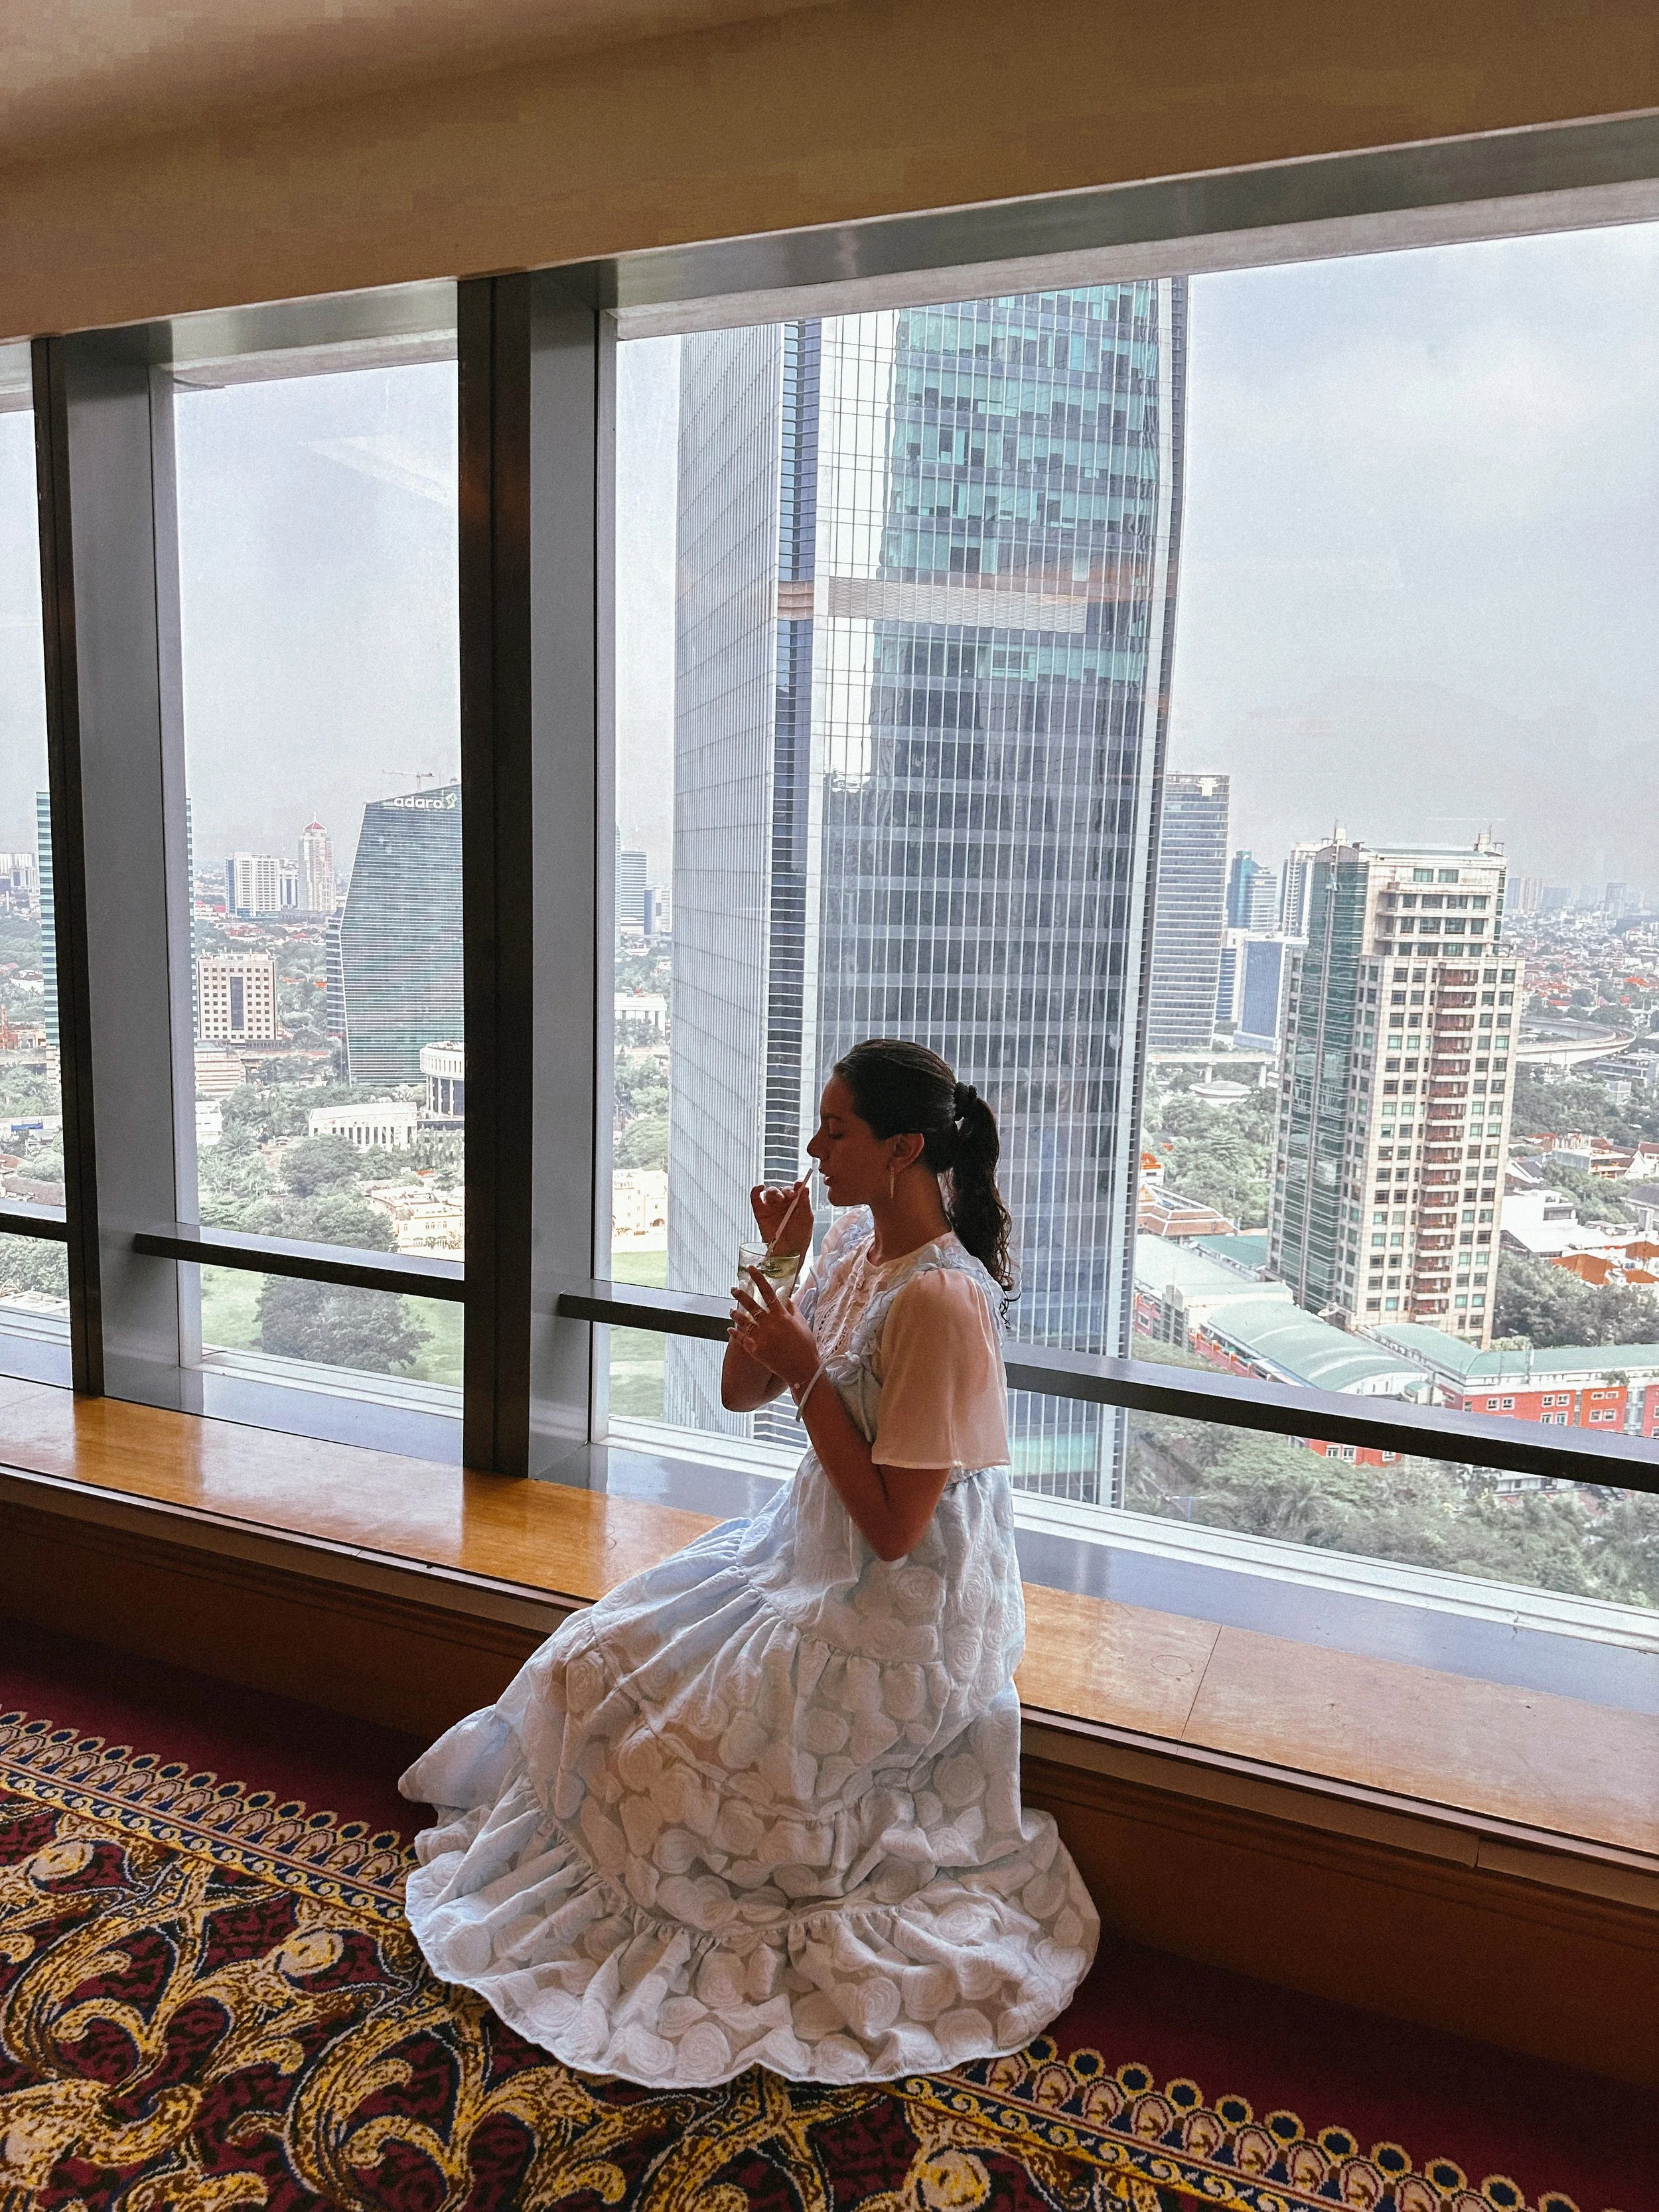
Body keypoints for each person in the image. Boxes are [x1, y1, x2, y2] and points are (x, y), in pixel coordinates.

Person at [399, 1038, 1097, 2086]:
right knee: (594, 1659)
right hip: (803, 1548)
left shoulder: (944, 1302)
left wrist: (812, 1371)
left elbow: (900, 1531)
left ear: (904, 1148)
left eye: (838, 1130)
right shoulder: (859, 1255)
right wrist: (781, 1259)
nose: (815, 1148)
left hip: (892, 1613)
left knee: (679, 1758)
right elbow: (740, 1392)